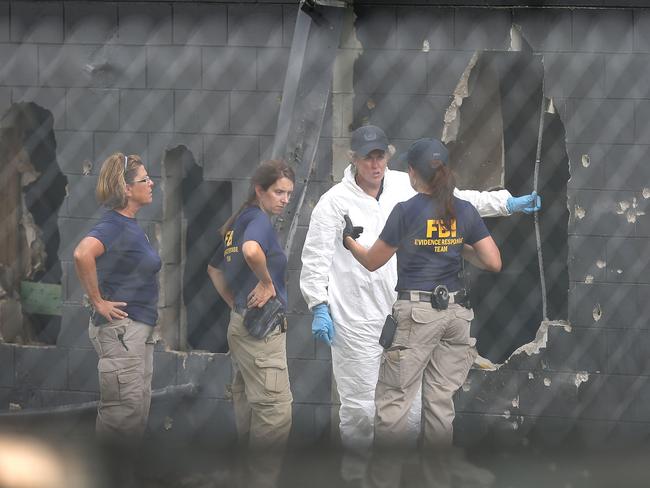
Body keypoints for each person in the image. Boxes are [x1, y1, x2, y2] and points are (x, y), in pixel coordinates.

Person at [299, 126, 539, 472]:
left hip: (404, 316)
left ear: (389, 157)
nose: (375, 163)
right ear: (354, 159)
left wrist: (505, 203)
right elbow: (316, 258)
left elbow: (460, 200)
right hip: (356, 319)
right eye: (368, 157)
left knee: (405, 408)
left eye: (380, 155)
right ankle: (355, 477)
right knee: (361, 408)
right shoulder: (333, 203)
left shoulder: (402, 185)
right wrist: (318, 305)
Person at [342, 137, 501, 447]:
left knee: (395, 404)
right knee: (440, 405)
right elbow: (493, 262)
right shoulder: (464, 210)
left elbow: (373, 262)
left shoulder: (406, 211)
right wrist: (457, 247)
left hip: (417, 315)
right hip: (456, 315)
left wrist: (350, 241)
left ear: (412, 173)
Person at [207, 160, 295, 487]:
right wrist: (267, 282)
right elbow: (251, 250)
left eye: (289, 193)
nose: (285, 199)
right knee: (275, 413)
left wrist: (234, 303)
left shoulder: (239, 221)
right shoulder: (257, 220)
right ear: (260, 190)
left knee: (250, 409)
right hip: (261, 332)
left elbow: (213, 270)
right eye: (278, 192)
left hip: (242, 324)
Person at [73, 153, 160, 440]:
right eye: (144, 179)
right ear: (125, 188)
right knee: (121, 416)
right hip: (121, 332)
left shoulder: (130, 225)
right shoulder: (113, 225)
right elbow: (82, 253)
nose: (152, 183)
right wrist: (98, 301)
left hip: (135, 331)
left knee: (135, 412)